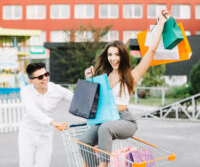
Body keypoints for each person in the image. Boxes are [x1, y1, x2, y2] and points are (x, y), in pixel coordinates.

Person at [80, 10, 171, 167]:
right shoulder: (103, 77)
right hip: (105, 121)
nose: (113, 58)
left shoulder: (132, 76)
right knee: (83, 142)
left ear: (123, 56)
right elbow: (93, 102)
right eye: (110, 55)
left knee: (105, 129)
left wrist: (161, 23)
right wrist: (89, 79)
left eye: (117, 54)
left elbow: (151, 51)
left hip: (124, 120)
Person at [18, 62, 73, 167]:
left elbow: (76, 98)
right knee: (26, 164)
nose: (44, 78)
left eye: (46, 74)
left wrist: (89, 79)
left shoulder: (56, 89)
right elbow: (33, 112)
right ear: (31, 81)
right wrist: (54, 122)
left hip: (46, 137)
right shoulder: (25, 92)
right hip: (27, 135)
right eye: (40, 77)